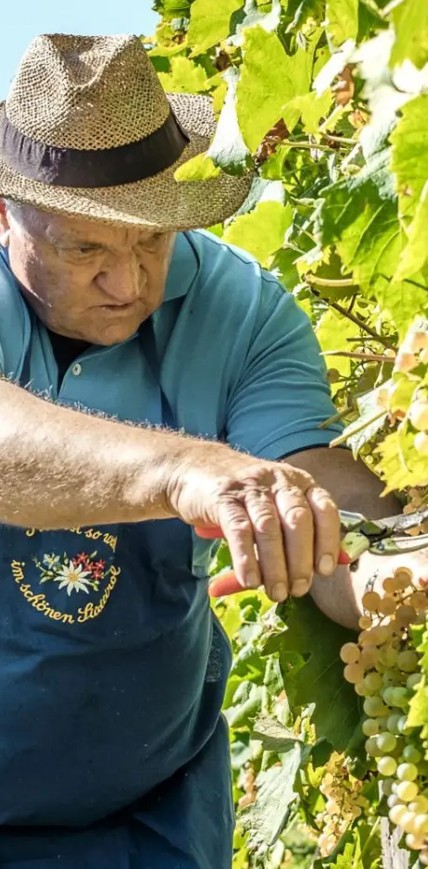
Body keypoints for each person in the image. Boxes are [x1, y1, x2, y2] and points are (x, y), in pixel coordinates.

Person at [0, 31, 423, 869]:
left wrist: (403, 569)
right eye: (86, 249)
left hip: (150, 817)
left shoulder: (243, 313)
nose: (129, 286)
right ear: (6, 213)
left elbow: (331, 508)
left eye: (151, 241)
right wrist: (184, 469)